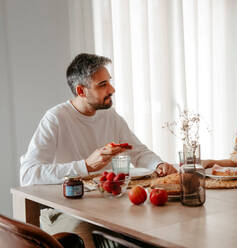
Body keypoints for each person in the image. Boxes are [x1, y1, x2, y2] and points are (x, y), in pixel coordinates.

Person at [20, 53, 177, 186]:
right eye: (102, 85)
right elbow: (28, 174)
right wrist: (86, 165)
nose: (112, 89)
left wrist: (158, 164)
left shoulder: (109, 115)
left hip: (109, 199)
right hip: (70, 204)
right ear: (81, 91)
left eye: (109, 81)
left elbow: (138, 152)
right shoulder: (55, 118)